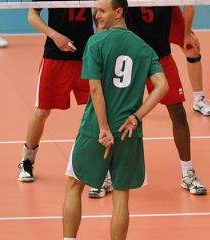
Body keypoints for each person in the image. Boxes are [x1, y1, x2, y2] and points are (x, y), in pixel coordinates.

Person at [62, 0, 169, 238]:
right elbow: (162, 87)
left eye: (102, 10)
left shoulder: (96, 42)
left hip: (95, 131)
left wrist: (103, 128)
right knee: (121, 195)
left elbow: (96, 90)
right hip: (128, 132)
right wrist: (136, 117)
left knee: (74, 185)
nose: (97, 15)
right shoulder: (144, 48)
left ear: (118, 12)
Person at [88, 6, 207, 198]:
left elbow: (184, 9)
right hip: (128, 57)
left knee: (178, 113)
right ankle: (106, 176)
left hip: (160, 56)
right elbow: (103, 8)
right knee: (114, 114)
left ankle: (188, 174)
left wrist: (187, 33)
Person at [17, 0, 94, 182]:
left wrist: (98, 37)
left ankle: (102, 166)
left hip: (86, 56)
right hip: (55, 57)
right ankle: (27, 161)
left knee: (98, 110)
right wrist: (55, 35)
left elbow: (101, 13)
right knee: (42, 111)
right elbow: (32, 15)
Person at [170, 6, 210, 116]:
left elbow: (188, 6)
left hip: (167, 12)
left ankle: (199, 100)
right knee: (130, 51)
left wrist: (187, 34)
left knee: (192, 50)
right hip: (141, 13)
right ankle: (126, 103)